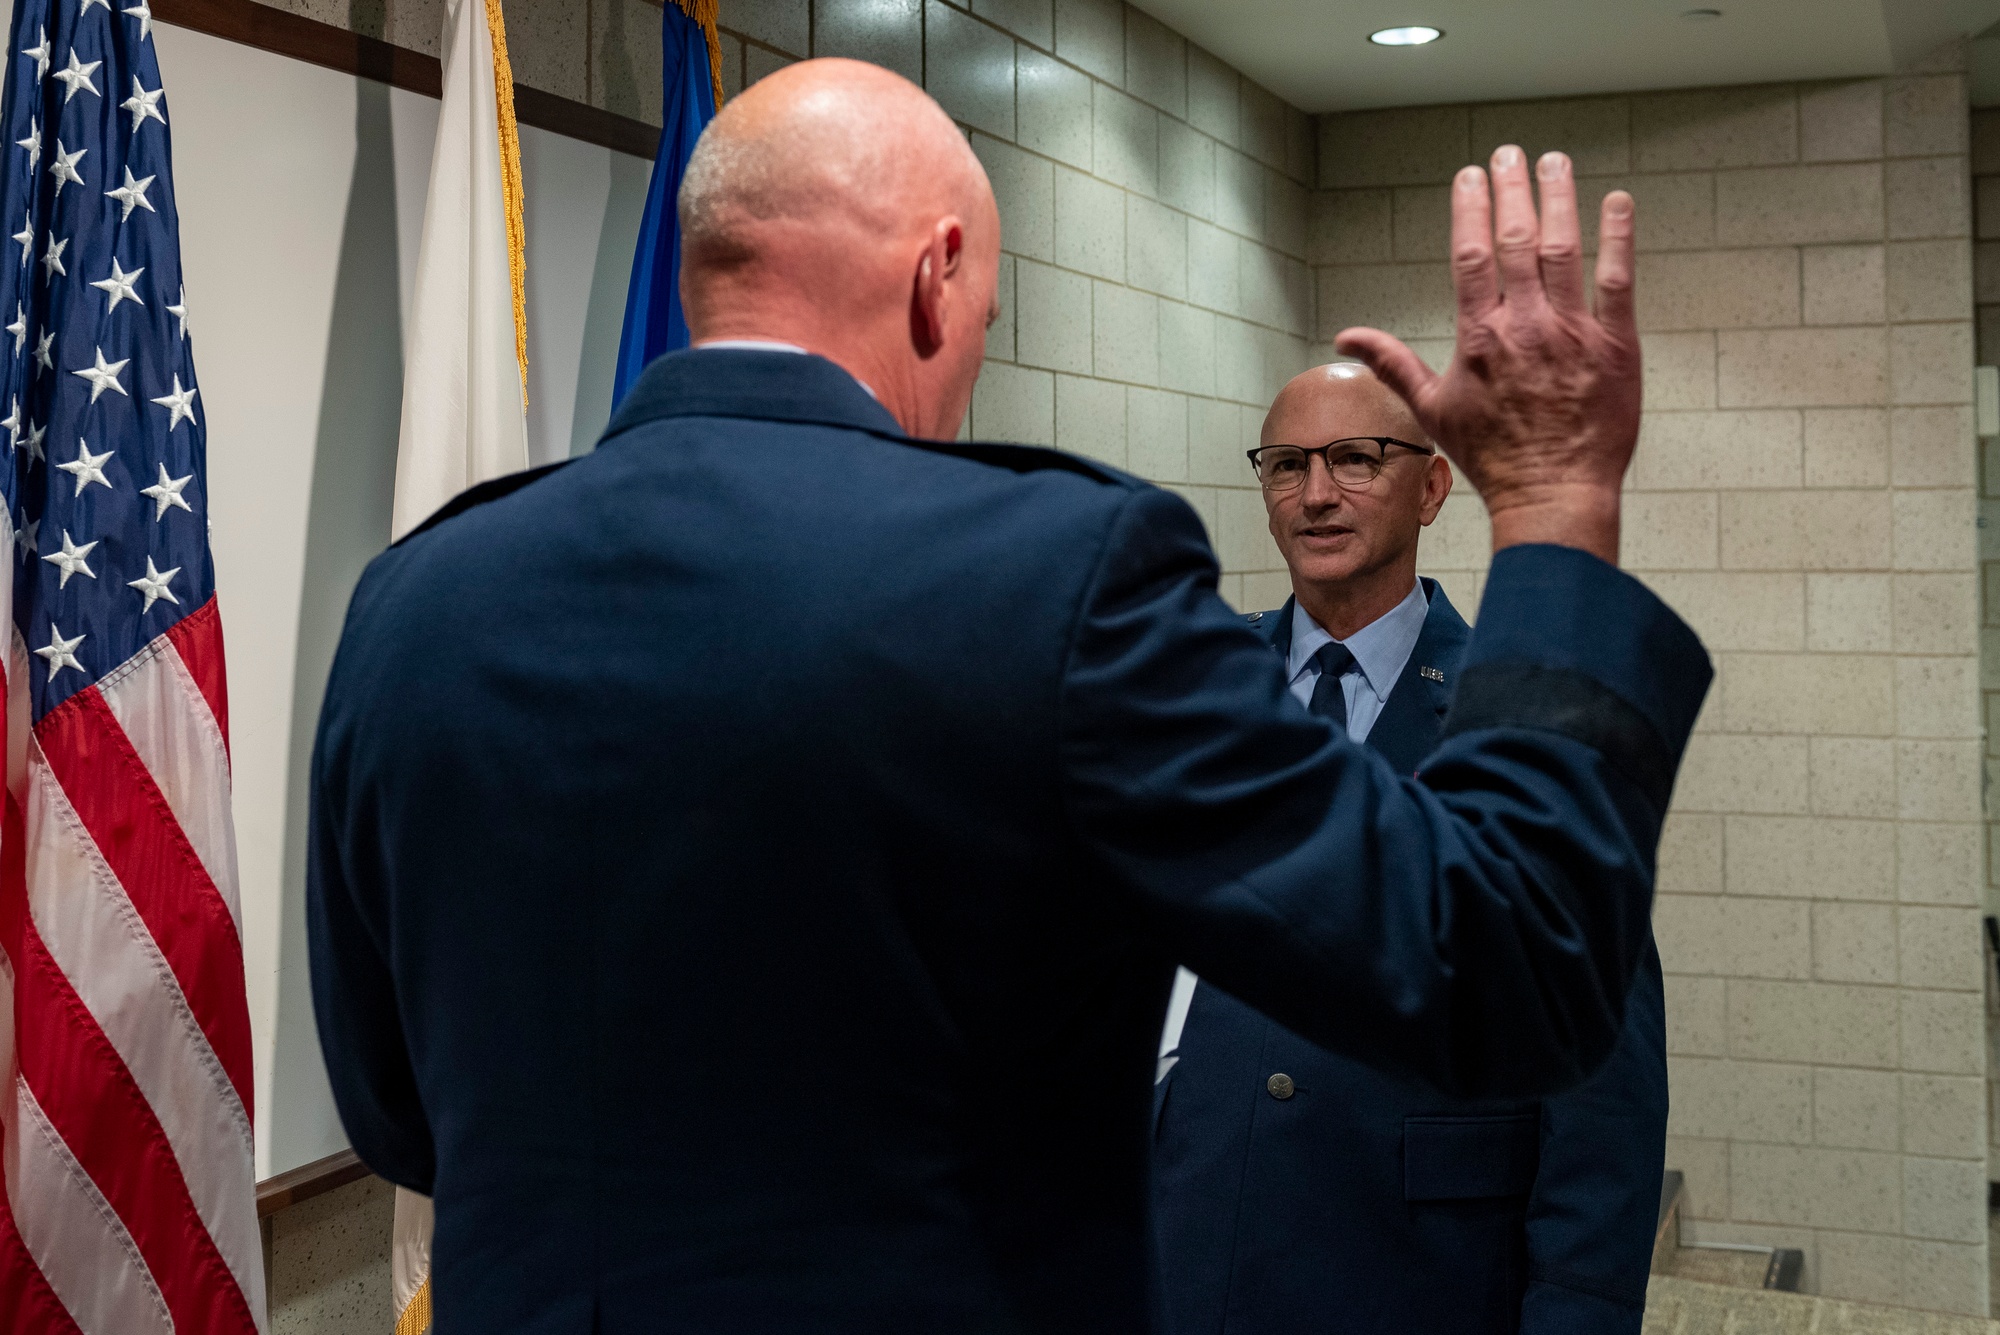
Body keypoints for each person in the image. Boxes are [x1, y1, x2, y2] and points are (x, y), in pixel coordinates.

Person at [306, 58, 1708, 1333]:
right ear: (937, 275)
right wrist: (1555, 495)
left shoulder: (416, 599)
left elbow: (396, 1109)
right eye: (983, 315)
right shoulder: (1058, 578)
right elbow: (1510, 964)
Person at [1152, 363, 1668, 1335]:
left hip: (1412, 1276)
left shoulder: (1529, 717)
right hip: (1186, 1246)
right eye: (1286, 465)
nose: (1314, 494)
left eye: (1354, 459)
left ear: (1431, 487)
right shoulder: (1193, 685)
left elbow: (1600, 1095)